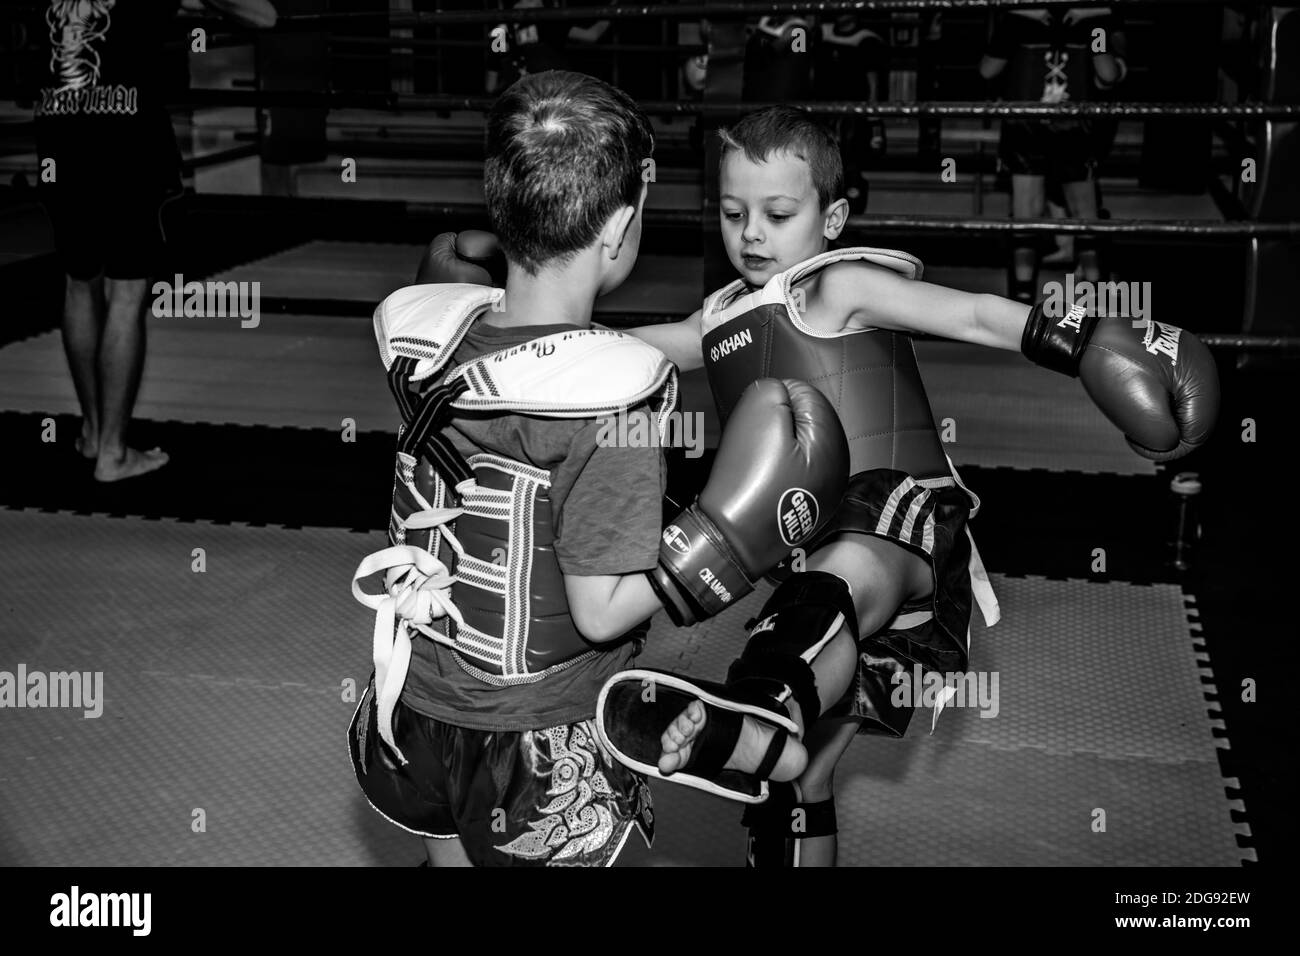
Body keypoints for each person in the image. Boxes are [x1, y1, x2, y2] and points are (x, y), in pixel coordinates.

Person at [590, 105, 1217, 867]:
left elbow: (978, 314)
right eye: (732, 212)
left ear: (834, 217)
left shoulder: (840, 286)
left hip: (904, 522)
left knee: (845, 561)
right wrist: (535, 339)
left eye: (778, 213)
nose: (751, 233)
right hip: (812, 578)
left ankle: (755, 708)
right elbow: (658, 349)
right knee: (803, 776)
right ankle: (764, 732)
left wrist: (1081, 342)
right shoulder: (721, 316)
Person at [347, 73, 848, 867]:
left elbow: (506, 349)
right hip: (541, 738)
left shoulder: (425, 337)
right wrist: (720, 544)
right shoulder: (613, 401)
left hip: (416, 706)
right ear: (619, 228)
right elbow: (601, 613)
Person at [32, 0, 275, 482]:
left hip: (59, 130)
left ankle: (94, 433)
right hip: (125, 141)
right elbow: (264, 15)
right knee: (126, 291)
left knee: (79, 283)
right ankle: (114, 454)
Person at [979, 6, 1127, 300]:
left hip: (1064, 128)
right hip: (1035, 127)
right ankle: (1028, 300)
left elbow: (1109, 74)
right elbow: (988, 70)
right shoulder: (1020, 20)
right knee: (1032, 215)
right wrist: (1018, 23)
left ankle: (1087, 299)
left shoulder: (1093, 21)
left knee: (1076, 215)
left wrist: (1091, 27)